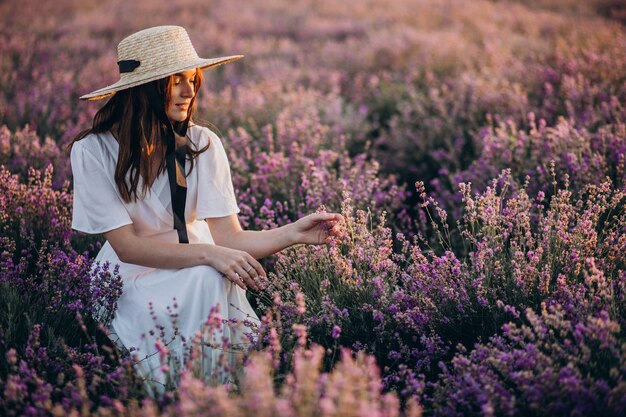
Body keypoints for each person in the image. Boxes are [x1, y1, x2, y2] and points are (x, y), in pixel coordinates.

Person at [69, 25, 342, 389]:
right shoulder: (93, 151)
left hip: (202, 266)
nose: (190, 90)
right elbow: (127, 247)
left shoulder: (203, 143)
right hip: (130, 277)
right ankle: (200, 390)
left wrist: (294, 233)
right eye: (175, 80)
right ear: (145, 88)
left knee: (209, 275)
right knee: (209, 273)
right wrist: (210, 255)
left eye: (193, 78)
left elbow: (229, 237)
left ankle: (209, 392)